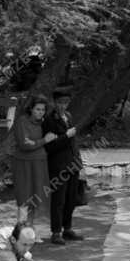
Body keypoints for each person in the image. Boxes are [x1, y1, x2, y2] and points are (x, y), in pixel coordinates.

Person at [43, 87, 84, 245]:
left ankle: (67, 228)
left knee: (71, 198)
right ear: (54, 102)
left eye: (66, 103)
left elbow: (74, 143)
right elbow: (49, 146)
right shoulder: (49, 119)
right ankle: (56, 232)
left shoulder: (68, 116)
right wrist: (65, 136)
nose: (63, 106)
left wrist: (79, 163)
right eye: (60, 103)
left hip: (73, 164)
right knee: (58, 200)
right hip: (58, 165)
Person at [8, 94, 56, 225]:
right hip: (23, 164)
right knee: (24, 197)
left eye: (43, 110)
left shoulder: (44, 123)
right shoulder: (22, 121)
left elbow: (35, 142)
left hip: (39, 163)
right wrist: (43, 140)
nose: (40, 112)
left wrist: (34, 142)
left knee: (36, 196)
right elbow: (24, 144)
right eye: (37, 109)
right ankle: (21, 231)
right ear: (31, 109)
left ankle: (30, 229)